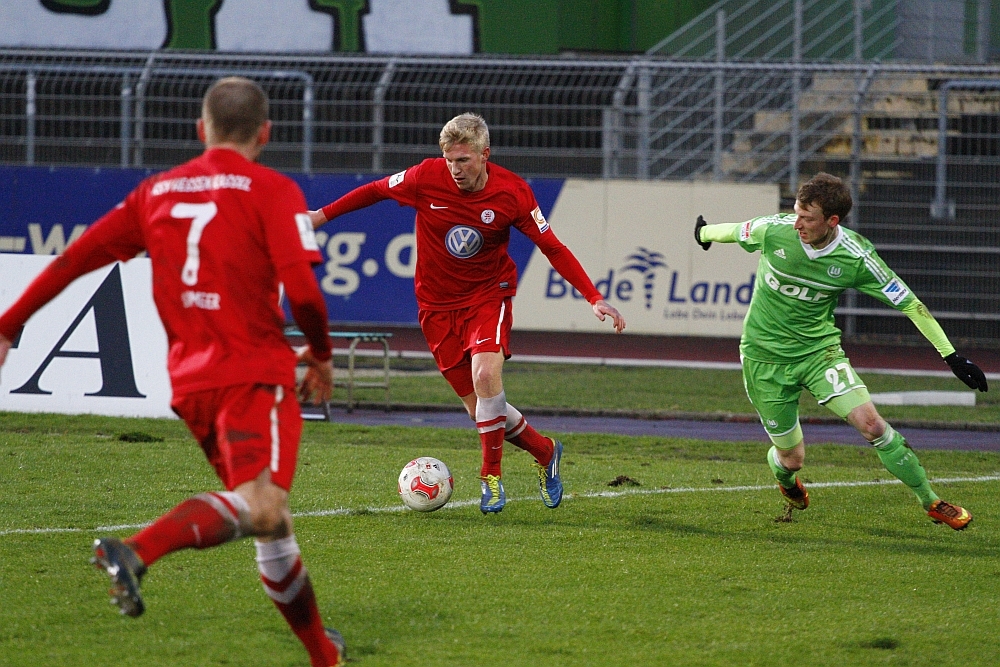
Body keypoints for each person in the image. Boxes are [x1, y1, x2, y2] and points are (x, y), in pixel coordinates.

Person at [0, 77, 345, 666]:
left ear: (200, 128)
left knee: (271, 521)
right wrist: (321, 353)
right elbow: (306, 294)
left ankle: (323, 655)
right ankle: (136, 550)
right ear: (265, 134)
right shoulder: (274, 189)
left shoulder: (154, 192)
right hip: (252, 373)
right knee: (262, 508)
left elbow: (75, 260)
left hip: (191, 383)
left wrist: (10, 324)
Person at [309, 112, 625, 514]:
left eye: (463, 160)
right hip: (436, 306)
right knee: (481, 410)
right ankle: (546, 452)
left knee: (486, 375)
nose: (455, 169)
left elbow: (553, 247)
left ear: (484, 154)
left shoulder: (513, 192)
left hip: (488, 296)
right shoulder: (426, 176)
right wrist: (320, 216)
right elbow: (374, 190)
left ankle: (490, 477)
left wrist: (593, 297)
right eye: (449, 160)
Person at [694, 172, 988, 530]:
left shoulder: (856, 257)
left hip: (820, 354)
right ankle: (786, 480)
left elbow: (910, 303)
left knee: (872, 425)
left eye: (807, 218)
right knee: (792, 458)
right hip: (763, 359)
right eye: (796, 213)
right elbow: (732, 231)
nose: (797, 223)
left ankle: (932, 501)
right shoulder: (773, 230)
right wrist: (703, 233)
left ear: (832, 220)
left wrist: (951, 356)